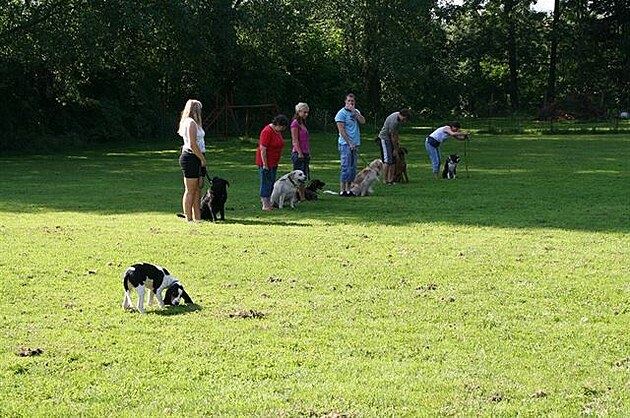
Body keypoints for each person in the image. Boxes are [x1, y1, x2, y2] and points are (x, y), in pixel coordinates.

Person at [178, 99, 207, 222]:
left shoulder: (193, 123)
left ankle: (197, 217)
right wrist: (202, 159)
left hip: (196, 156)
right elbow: (192, 144)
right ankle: (188, 218)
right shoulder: (190, 123)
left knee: (197, 188)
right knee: (190, 189)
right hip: (191, 157)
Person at [256, 114, 290, 211]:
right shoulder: (267, 131)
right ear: (278, 124)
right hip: (266, 162)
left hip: (274, 162)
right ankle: (265, 204)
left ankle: (270, 201)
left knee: (271, 182)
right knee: (266, 182)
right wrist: (265, 165)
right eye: (282, 127)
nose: (283, 129)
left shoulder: (277, 132)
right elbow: (263, 149)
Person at [335, 93, 365, 196]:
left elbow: (363, 121)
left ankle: (349, 189)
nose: (351, 103)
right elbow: (342, 130)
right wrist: (349, 142)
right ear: (345, 101)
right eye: (349, 101)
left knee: (353, 168)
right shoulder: (341, 114)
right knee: (345, 167)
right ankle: (342, 190)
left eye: (352, 101)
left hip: (355, 143)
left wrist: (355, 113)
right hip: (345, 144)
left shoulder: (355, 112)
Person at [377, 109, 411, 184]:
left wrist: (397, 143)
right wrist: (395, 149)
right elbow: (392, 136)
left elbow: (395, 134)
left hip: (391, 138)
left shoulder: (398, 118)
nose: (405, 121)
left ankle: (391, 179)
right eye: (405, 119)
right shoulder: (394, 121)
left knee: (393, 160)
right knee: (387, 160)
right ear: (402, 115)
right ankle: (385, 180)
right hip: (385, 138)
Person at [290, 102, 311, 201]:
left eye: (307, 112)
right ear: (298, 112)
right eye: (304, 112)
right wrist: (300, 153)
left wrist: (307, 152)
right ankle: (296, 196)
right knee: (298, 177)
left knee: (304, 176)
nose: (306, 114)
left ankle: (302, 196)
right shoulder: (295, 123)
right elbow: (295, 140)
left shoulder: (303, 123)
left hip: (305, 152)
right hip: (298, 153)